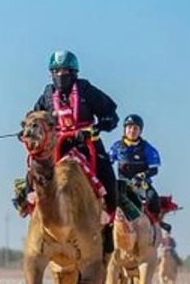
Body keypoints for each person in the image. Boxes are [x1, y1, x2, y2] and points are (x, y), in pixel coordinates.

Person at [16, 49, 120, 253]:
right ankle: (32, 213)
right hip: (56, 144)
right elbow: (34, 118)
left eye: (65, 71)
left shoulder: (87, 90)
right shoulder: (47, 95)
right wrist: (27, 131)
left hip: (85, 143)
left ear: (74, 73)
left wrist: (96, 128)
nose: (60, 75)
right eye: (56, 71)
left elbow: (111, 115)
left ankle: (107, 230)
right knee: (32, 173)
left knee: (109, 178)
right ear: (51, 74)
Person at [108, 113, 168, 230]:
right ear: (124, 129)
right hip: (122, 184)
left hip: (141, 184)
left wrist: (141, 176)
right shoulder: (116, 147)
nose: (132, 131)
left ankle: (156, 223)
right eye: (129, 127)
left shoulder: (147, 147)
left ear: (140, 131)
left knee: (153, 197)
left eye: (135, 128)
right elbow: (108, 161)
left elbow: (154, 169)